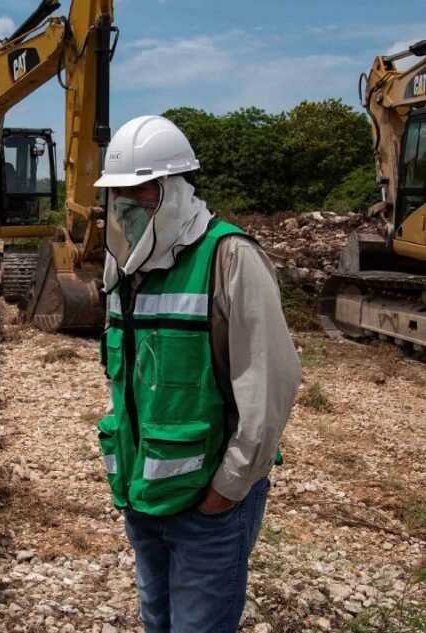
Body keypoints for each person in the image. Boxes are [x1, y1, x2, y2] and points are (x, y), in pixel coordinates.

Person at [93, 115, 301, 633]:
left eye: (136, 193)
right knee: (157, 619)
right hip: (143, 495)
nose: (123, 206)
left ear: (170, 189)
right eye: (115, 194)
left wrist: (227, 490)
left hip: (208, 508)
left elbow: (270, 389)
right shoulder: (121, 268)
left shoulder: (230, 258)